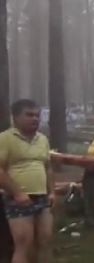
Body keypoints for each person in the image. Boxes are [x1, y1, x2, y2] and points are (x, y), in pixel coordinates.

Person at [0, 99, 54, 263]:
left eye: (37, 115)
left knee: (45, 241)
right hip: (18, 199)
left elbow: (48, 167)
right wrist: (17, 193)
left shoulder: (42, 139)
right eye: (29, 115)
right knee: (24, 243)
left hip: (42, 197)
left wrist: (51, 191)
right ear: (15, 117)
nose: (35, 119)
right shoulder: (5, 138)